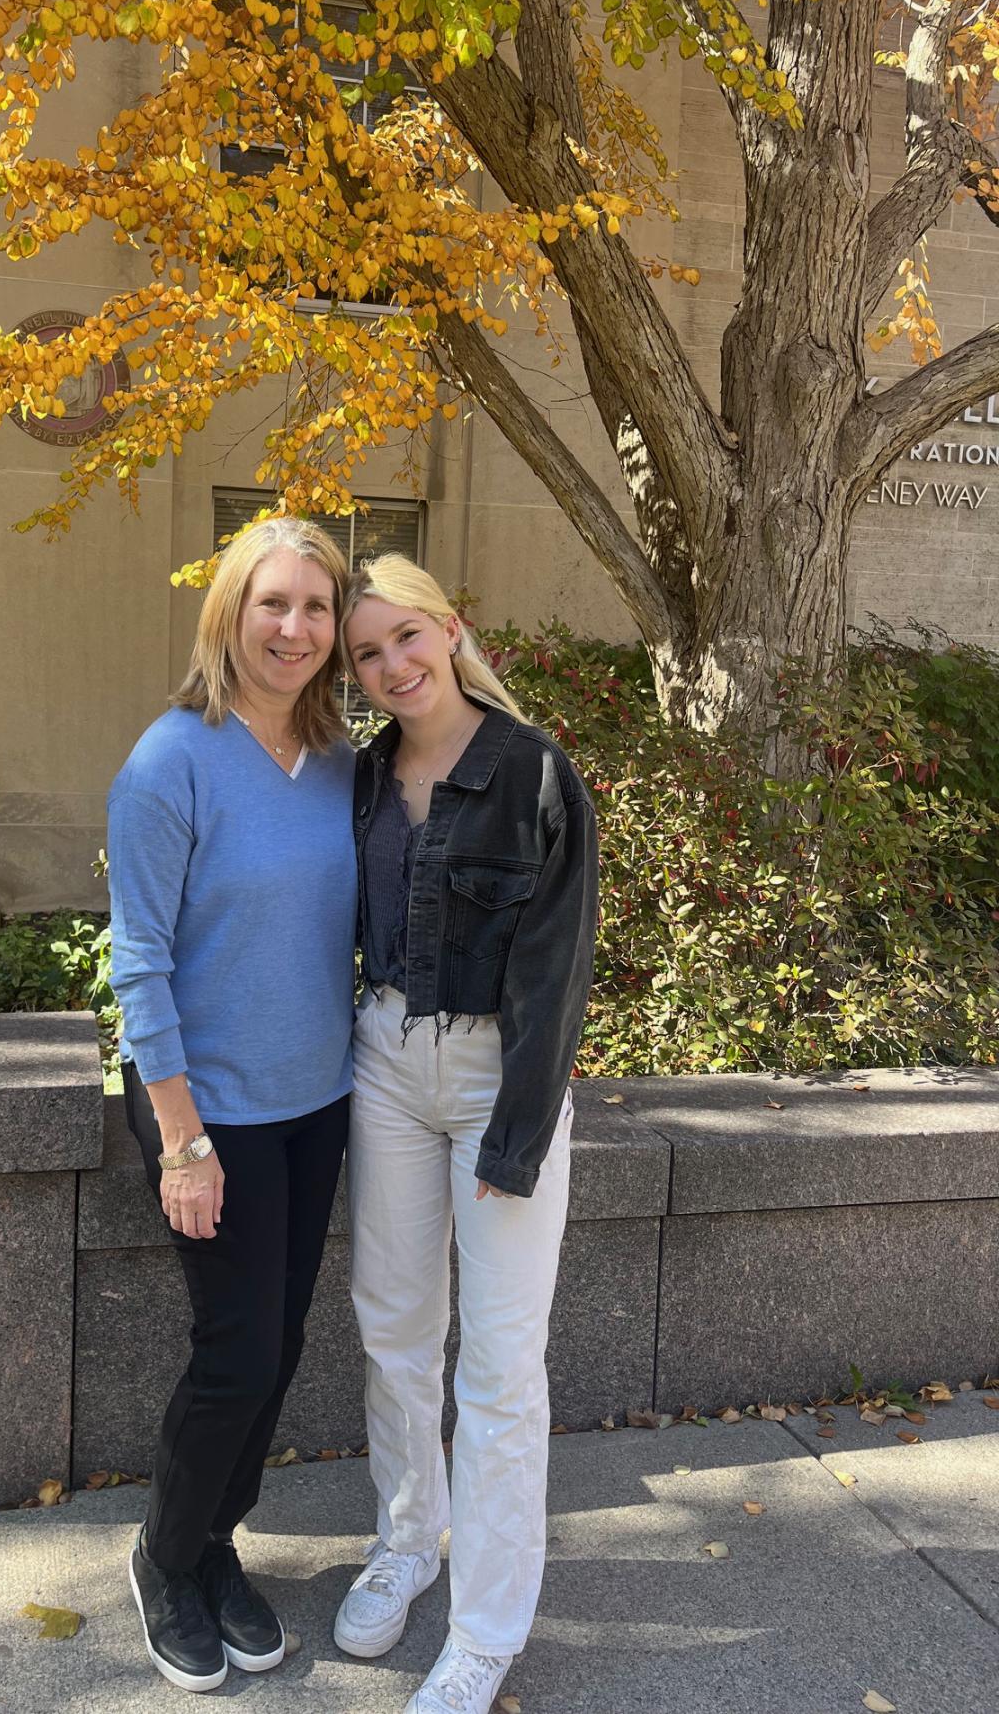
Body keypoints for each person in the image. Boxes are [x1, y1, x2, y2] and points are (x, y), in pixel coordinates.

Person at [334, 555, 598, 1714]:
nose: (392, 665)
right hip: (384, 1059)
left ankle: (486, 1626)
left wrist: (516, 1139)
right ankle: (410, 1541)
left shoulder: (532, 769)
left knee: (497, 1367)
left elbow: (557, 968)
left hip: (500, 1069)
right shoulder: (365, 775)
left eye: (405, 637)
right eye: (366, 653)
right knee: (392, 1327)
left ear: (450, 629)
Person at [108, 516, 357, 1693]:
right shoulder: (172, 758)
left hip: (318, 1104)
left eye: (316, 607)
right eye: (274, 603)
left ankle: (214, 1543)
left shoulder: (341, 763)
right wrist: (181, 1141)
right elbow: (139, 964)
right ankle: (164, 1558)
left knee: (283, 1344)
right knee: (236, 1352)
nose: (295, 628)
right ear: (230, 611)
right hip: (206, 1109)